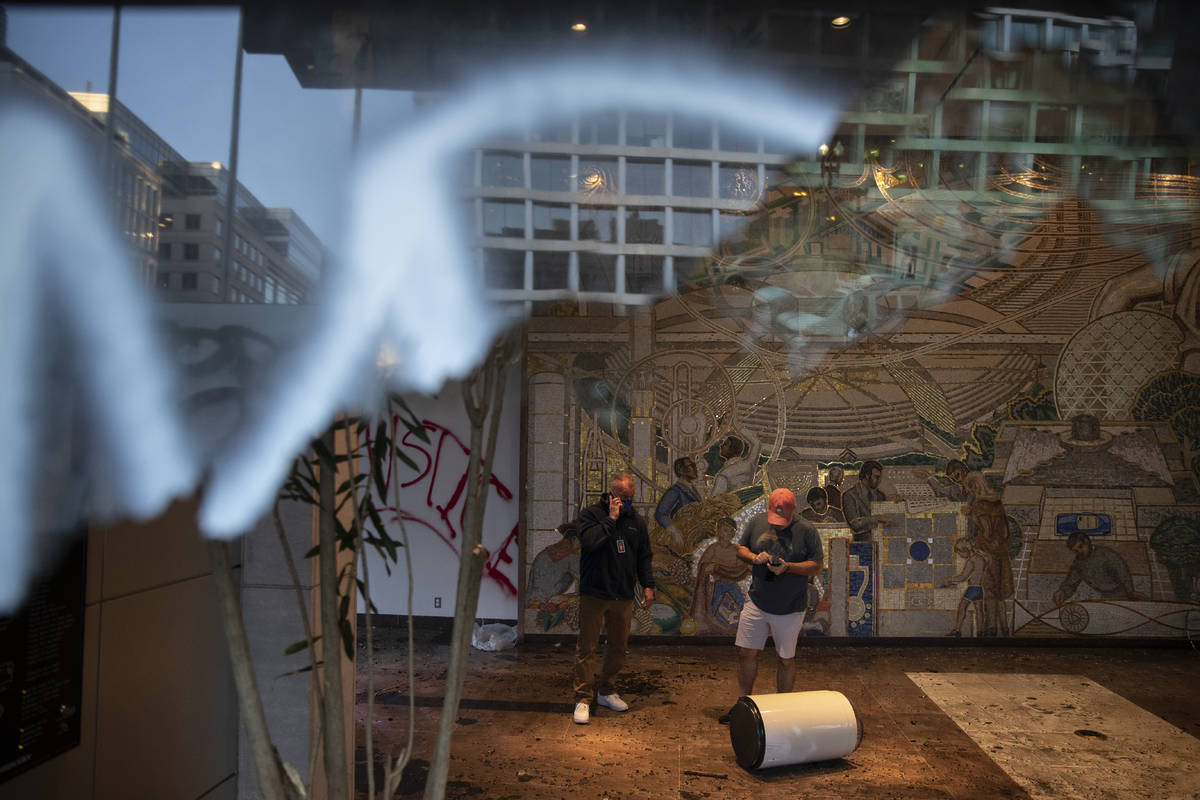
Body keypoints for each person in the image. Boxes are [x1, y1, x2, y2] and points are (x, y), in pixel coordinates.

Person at [719, 488, 823, 725]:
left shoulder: (806, 530)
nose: (777, 525)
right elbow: (740, 549)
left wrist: (789, 567)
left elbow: (816, 566)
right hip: (757, 600)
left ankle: (783, 711)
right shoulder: (757, 522)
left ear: (792, 510)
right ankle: (743, 705)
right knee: (746, 652)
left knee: (785, 659)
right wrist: (754, 558)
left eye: (782, 520)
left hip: (791, 606)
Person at [572, 474, 656, 725]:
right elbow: (589, 542)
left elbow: (644, 556)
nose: (625, 502)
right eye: (621, 497)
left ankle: (606, 690)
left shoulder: (637, 522)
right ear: (611, 494)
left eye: (629, 498)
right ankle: (583, 698)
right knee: (587, 648)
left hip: (623, 594)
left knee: (618, 646)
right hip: (594, 593)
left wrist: (648, 585)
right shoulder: (591, 515)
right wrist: (611, 519)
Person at [689, 517, 752, 635]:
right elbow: (703, 565)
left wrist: (748, 567)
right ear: (718, 531)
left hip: (732, 584)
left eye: (731, 531)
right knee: (713, 606)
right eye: (725, 530)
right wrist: (709, 567)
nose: (728, 533)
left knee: (741, 602)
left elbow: (741, 567)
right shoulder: (713, 548)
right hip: (719, 584)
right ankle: (710, 624)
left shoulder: (735, 549)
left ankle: (748, 624)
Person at [1052, 531, 1146, 606]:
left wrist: (1130, 592)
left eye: (1080, 547)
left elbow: (1123, 572)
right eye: (1076, 551)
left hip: (1121, 593)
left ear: (1087, 541)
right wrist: (1062, 592)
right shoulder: (1079, 564)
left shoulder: (1106, 555)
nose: (1079, 552)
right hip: (1105, 596)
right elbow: (1071, 582)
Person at [941, 538, 990, 637]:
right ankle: (980, 632)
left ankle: (957, 630)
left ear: (965, 550)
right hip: (980, 589)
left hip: (972, 588)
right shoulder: (982, 558)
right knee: (979, 610)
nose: (960, 556)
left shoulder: (971, 560)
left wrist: (950, 580)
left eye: (960, 553)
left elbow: (963, 576)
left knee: (962, 607)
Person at [653, 456, 703, 547]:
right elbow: (660, 514)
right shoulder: (675, 491)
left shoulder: (691, 488)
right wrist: (674, 532)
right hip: (683, 539)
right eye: (691, 466)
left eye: (694, 465)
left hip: (694, 536)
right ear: (681, 471)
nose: (695, 469)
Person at [841, 460, 894, 541]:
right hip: (862, 547)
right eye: (876, 477)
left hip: (883, 544)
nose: (879, 480)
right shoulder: (850, 495)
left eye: (879, 477)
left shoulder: (880, 496)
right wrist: (877, 519)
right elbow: (855, 524)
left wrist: (895, 505)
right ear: (867, 475)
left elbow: (887, 520)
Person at [711, 428, 761, 495]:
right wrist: (738, 428)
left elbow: (714, 500)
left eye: (725, 444)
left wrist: (736, 426)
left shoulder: (724, 475)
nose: (721, 446)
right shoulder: (748, 464)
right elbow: (756, 443)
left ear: (733, 448)